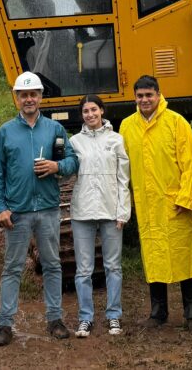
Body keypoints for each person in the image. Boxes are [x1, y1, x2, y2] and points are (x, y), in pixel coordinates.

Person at [0, 71, 79, 346]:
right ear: (16, 98)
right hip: (17, 212)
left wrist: (56, 166)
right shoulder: (6, 131)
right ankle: (5, 324)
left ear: (40, 97)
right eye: (23, 95)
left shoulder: (54, 129)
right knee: (13, 268)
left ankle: (55, 319)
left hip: (48, 209)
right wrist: (0, 207)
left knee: (52, 264)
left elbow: (72, 161)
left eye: (33, 94)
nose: (28, 99)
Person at [119, 75, 192, 334]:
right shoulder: (127, 126)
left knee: (184, 256)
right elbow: (123, 168)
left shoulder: (176, 122)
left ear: (158, 95)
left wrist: (185, 197)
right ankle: (158, 312)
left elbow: (190, 164)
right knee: (154, 257)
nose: (145, 100)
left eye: (149, 95)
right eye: (140, 96)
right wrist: (126, 201)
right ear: (135, 98)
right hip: (147, 204)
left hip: (175, 204)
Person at [68, 94, 131, 338]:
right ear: (81, 115)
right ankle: (85, 317)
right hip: (82, 211)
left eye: (94, 109)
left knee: (113, 266)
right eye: (86, 111)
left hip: (110, 210)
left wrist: (123, 211)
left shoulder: (116, 140)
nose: (90, 114)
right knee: (84, 269)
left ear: (102, 111)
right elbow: (67, 173)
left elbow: (123, 179)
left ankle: (114, 315)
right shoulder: (74, 142)